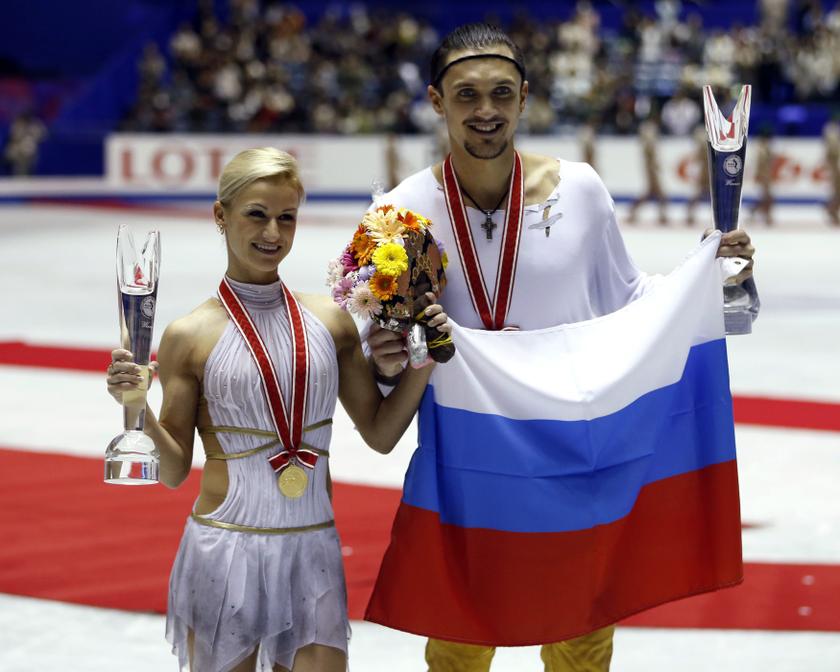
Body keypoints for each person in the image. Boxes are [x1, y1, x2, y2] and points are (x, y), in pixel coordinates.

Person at [364, 23, 755, 672]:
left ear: (524, 96)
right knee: (460, 636)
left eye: (499, 93)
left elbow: (630, 301)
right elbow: (375, 344)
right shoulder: (395, 216)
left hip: (575, 449)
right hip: (468, 455)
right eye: (466, 95)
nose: (484, 111)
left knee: (581, 638)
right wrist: (384, 356)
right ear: (436, 101)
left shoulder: (581, 189)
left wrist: (706, 276)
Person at [105, 147, 451, 672]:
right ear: (221, 216)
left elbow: (381, 434)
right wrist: (139, 409)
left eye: (286, 217)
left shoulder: (331, 321)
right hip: (225, 550)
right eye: (257, 215)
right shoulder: (188, 336)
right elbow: (174, 472)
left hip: (312, 550)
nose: (273, 233)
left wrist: (423, 362)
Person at [627, 114, 670, 225]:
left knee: (652, 194)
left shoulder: (648, 138)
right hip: (651, 170)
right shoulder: (649, 137)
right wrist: (655, 167)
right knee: (659, 194)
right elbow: (650, 154)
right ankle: (662, 215)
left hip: (650, 169)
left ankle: (634, 211)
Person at [823, 117, 840, 226]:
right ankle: (831, 210)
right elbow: (832, 149)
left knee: (837, 190)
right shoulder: (831, 130)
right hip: (835, 162)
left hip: (835, 161)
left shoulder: (832, 130)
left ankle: (831, 209)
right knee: (837, 189)